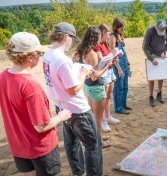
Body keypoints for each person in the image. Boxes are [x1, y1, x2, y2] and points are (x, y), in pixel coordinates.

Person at [0, 32, 71, 176]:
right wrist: (61, 117)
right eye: (39, 53)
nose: (41, 56)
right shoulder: (31, 86)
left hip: (18, 145)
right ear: (30, 57)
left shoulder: (3, 76)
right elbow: (41, 126)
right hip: (40, 148)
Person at [43, 22, 103, 176]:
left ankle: (79, 172)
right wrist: (83, 73)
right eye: (72, 38)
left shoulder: (48, 54)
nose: (73, 43)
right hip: (78, 110)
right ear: (66, 36)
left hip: (61, 107)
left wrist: (74, 69)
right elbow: (73, 90)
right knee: (93, 146)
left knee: (72, 144)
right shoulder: (62, 60)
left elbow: (58, 80)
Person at [75, 26, 114, 148]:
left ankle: (99, 136)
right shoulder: (92, 54)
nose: (99, 40)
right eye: (98, 38)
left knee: (93, 116)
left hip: (87, 87)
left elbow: (74, 65)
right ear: (94, 38)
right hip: (96, 87)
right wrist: (106, 66)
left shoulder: (80, 51)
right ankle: (99, 142)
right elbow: (95, 76)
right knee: (98, 118)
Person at [94, 24, 120, 132]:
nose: (109, 36)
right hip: (104, 73)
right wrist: (112, 55)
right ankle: (103, 120)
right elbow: (101, 60)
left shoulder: (104, 44)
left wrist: (114, 55)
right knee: (103, 98)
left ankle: (108, 116)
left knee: (109, 95)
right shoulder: (97, 45)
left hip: (109, 71)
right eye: (107, 33)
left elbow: (109, 55)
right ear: (102, 33)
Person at [142, 19, 167, 107]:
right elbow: (145, 47)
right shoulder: (150, 31)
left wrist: (164, 51)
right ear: (156, 27)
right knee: (152, 76)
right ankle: (151, 96)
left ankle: (159, 93)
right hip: (151, 53)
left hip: (161, 53)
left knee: (160, 75)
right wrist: (151, 59)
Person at [110, 17, 132, 114]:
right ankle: (118, 108)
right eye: (121, 28)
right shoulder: (112, 38)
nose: (123, 30)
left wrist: (128, 63)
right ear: (116, 27)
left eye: (123, 28)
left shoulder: (120, 36)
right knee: (119, 87)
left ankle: (123, 104)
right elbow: (113, 55)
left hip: (124, 64)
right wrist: (118, 69)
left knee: (125, 86)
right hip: (118, 65)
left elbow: (124, 52)